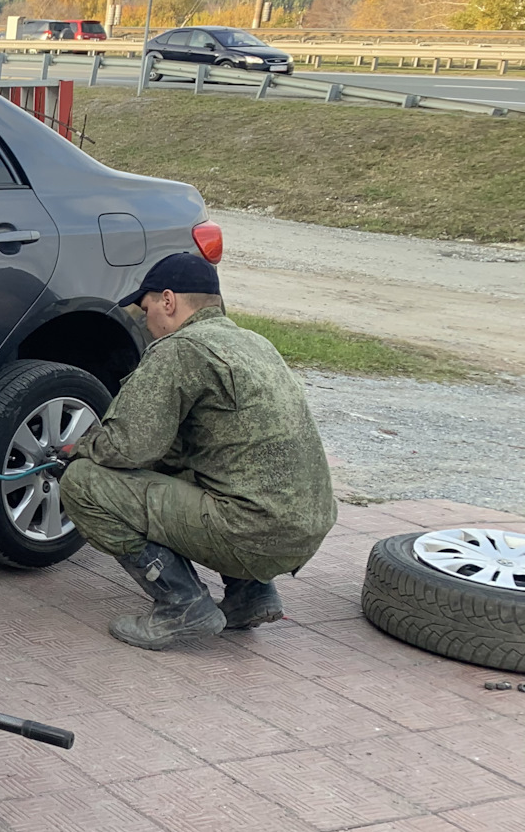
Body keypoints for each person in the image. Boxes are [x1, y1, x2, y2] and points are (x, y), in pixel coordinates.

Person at [57, 251, 337, 649]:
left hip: (252, 530)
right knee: (208, 473)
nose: (146, 318)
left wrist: (78, 450)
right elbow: (185, 451)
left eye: (146, 306)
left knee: (83, 482)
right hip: (306, 525)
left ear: (168, 301)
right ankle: (251, 595)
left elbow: (127, 447)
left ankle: (183, 607)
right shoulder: (254, 343)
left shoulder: (180, 348)